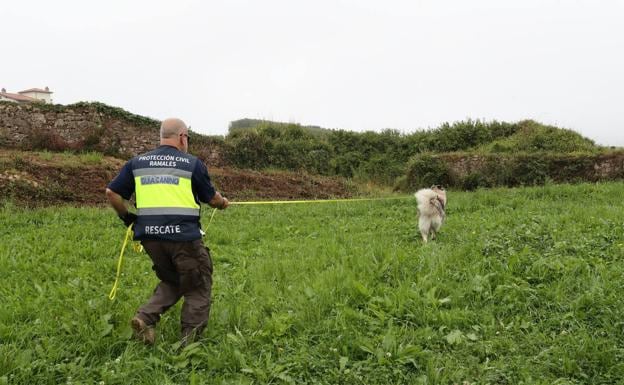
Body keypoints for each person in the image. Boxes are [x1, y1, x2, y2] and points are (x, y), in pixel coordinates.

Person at [105, 117, 228, 346]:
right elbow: (211, 198)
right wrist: (222, 203)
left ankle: (145, 318)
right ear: (182, 137)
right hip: (184, 240)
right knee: (198, 285)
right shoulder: (192, 164)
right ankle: (189, 343)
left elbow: (112, 193)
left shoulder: (136, 163)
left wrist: (126, 216)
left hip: (150, 240)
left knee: (173, 280)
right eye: (187, 138)